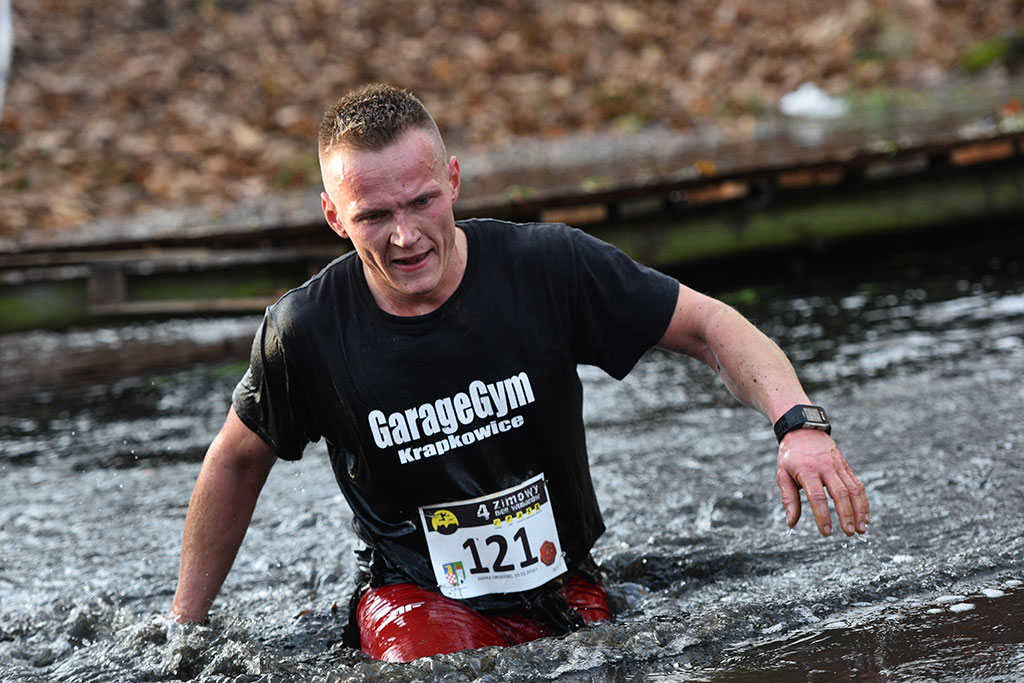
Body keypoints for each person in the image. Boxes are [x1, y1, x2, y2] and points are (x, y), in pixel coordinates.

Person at [170, 83, 869, 662]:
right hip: (415, 598)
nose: (406, 236)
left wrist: (797, 423)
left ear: (453, 179)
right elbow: (234, 461)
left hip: (563, 585)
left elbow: (710, 324)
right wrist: (183, 634)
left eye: (421, 202)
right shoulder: (309, 329)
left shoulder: (548, 267)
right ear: (334, 218)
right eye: (374, 216)